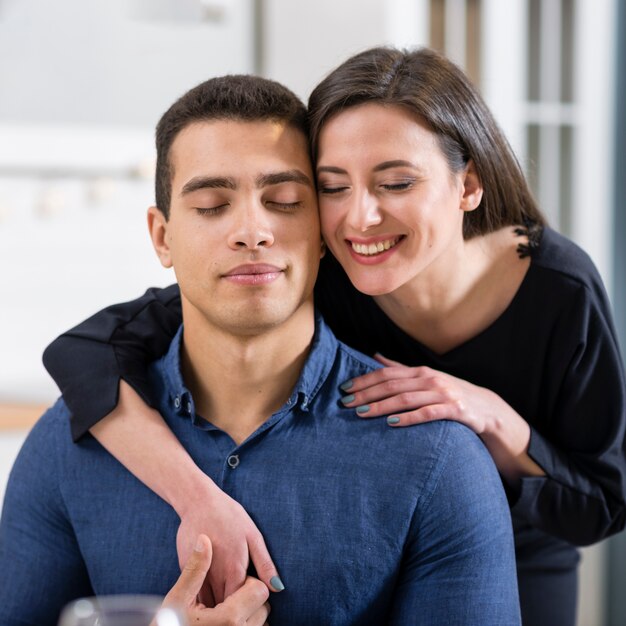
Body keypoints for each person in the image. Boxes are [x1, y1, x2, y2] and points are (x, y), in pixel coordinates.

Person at [40, 46, 626, 626]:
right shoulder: (331, 273)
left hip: (530, 543)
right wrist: (197, 497)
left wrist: (497, 419)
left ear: (468, 185)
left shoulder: (558, 290)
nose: (360, 218)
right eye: (332, 187)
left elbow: (604, 502)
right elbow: (86, 352)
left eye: (396, 182)